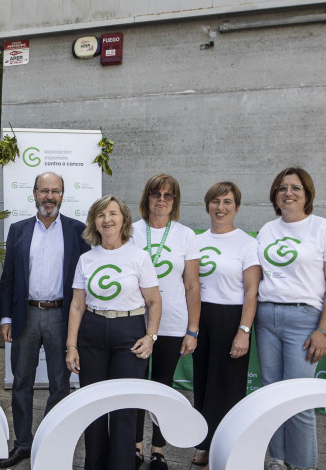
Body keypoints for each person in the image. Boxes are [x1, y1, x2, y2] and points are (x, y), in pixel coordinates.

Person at [0, 172, 90, 468]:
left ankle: (51, 440)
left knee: (60, 384)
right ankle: (23, 443)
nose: (49, 196)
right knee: (21, 381)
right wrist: (6, 317)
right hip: (26, 315)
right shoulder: (18, 230)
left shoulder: (79, 231)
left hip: (62, 316)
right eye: (44, 190)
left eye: (55, 191)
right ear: (34, 193)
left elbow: (87, 279)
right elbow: (8, 277)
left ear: (63, 195)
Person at [256, 168, 326, 470]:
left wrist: (323, 330)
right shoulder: (268, 229)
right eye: (282, 188)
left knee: (299, 399)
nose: (288, 193)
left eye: (295, 188)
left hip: (304, 319)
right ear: (275, 196)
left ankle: (304, 465)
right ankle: (278, 460)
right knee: (272, 394)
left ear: (307, 194)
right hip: (266, 316)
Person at [65, 195, 162, 470]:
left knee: (124, 407)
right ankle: (94, 465)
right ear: (94, 222)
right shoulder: (86, 259)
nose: (107, 219)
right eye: (100, 215)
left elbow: (154, 301)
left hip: (129, 333)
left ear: (124, 219)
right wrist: (71, 346)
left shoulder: (139, 257)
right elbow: (77, 305)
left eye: (113, 214)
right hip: (92, 332)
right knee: (93, 405)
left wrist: (151, 336)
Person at [130, 174, 200, 470]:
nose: (161, 199)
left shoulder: (185, 235)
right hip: (134, 322)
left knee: (162, 388)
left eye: (168, 195)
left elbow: (192, 286)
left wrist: (193, 329)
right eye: (155, 193)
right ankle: (135, 446)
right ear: (147, 198)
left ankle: (159, 449)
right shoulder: (130, 231)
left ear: (175, 202)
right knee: (134, 386)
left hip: (171, 324)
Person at [191, 182, 261, 469]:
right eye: (216, 201)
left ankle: (223, 451)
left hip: (231, 319)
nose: (221, 208)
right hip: (201, 318)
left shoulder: (248, 243)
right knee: (204, 386)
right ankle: (205, 445)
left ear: (237, 208)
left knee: (227, 389)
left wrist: (243, 332)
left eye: (228, 202)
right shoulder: (195, 240)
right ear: (208, 205)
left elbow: (251, 291)